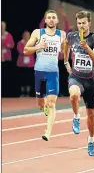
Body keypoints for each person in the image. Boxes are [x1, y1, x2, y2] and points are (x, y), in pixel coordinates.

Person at [63, 10, 94, 156]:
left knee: (91, 114)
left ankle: (91, 140)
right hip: (76, 77)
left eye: (84, 23)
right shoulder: (71, 36)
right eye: (79, 23)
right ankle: (76, 117)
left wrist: (87, 48)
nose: (81, 26)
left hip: (90, 81)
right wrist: (66, 60)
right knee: (74, 95)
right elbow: (65, 44)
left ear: (89, 23)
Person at [23, 10, 66, 141]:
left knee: (51, 103)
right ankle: (43, 107)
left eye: (54, 17)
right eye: (49, 17)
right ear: (45, 21)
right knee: (41, 103)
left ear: (57, 21)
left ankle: (47, 132)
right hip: (39, 72)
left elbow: (65, 50)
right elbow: (25, 50)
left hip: (53, 73)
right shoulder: (38, 33)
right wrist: (38, 46)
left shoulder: (62, 34)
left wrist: (66, 58)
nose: (51, 20)